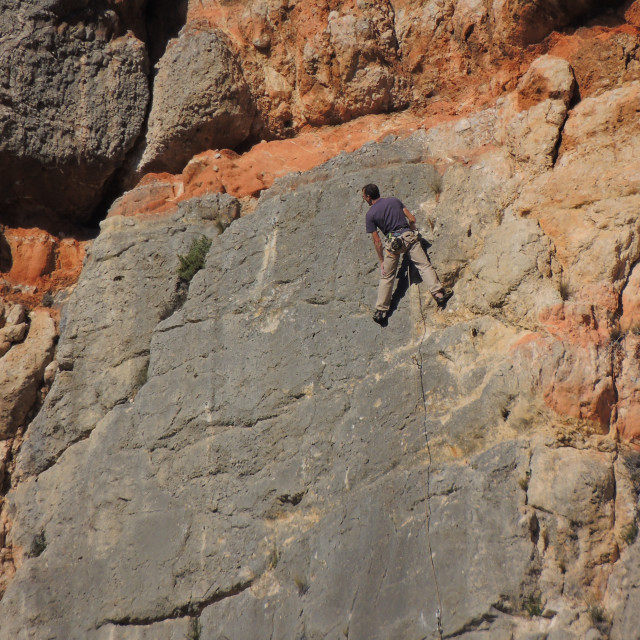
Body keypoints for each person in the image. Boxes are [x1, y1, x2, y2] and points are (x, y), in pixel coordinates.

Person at [362, 183, 452, 324]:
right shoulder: (394, 200)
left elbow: (377, 241)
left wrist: (381, 262)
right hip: (408, 237)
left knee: (387, 276)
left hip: (392, 244)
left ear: (368, 197)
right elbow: (412, 219)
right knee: (424, 266)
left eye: (364, 197)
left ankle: (381, 311)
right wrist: (412, 229)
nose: (364, 199)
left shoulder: (370, 214)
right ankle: (438, 293)